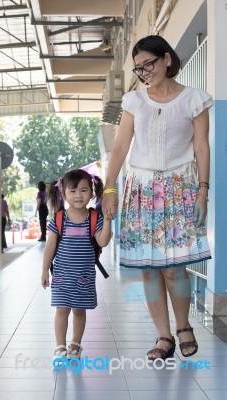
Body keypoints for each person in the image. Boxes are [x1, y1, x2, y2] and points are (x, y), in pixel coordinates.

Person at [102, 35, 213, 361]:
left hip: (179, 189)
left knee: (174, 267)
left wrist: (203, 192)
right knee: (149, 268)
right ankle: (163, 337)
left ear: (166, 59)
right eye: (138, 68)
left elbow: (201, 147)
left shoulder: (194, 99)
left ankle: (183, 327)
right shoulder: (134, 102)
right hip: (141, 191)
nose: (143, 72)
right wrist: (110, 188)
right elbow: (120, 147)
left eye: (147, 64)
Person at [41, 169, 111, 360]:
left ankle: (75, 345)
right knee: (62, 310)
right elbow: (50, 246)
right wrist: (45, 269)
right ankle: (60, 347)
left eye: (83, 190)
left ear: (91, 192)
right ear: (63, 193)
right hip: (62, 275)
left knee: (79, 311)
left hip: (84, 276)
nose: (78, 195)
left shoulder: (95, 218)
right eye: (73, 191)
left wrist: (108, 221)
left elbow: (103, 241)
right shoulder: (59, 218)